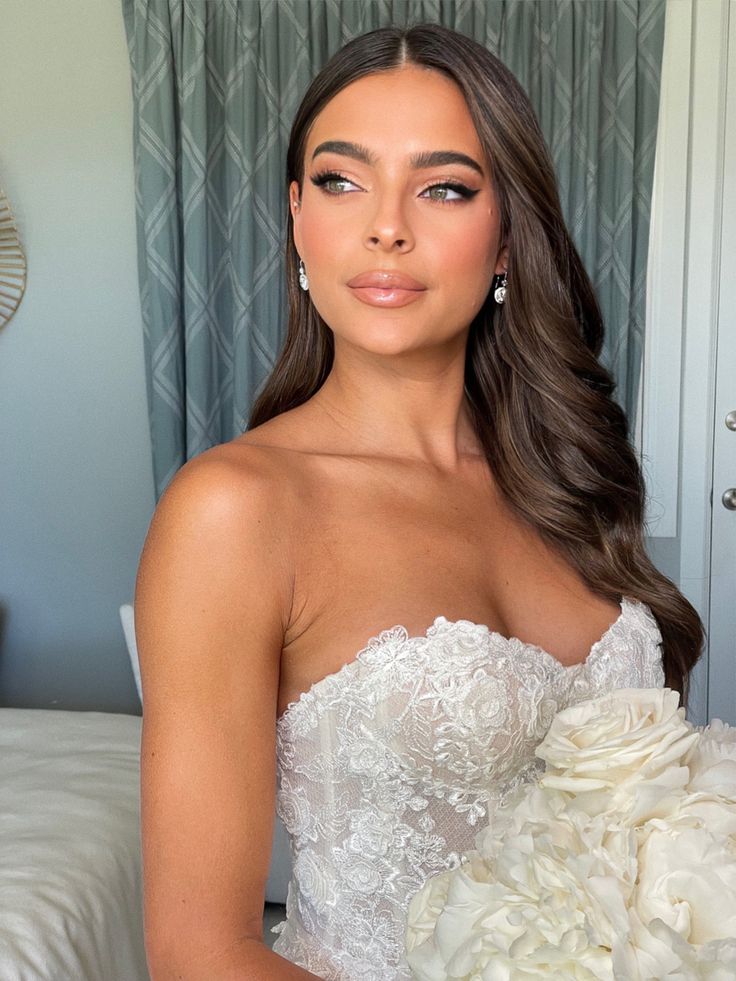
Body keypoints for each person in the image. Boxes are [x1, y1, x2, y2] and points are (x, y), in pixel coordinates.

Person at [134, 22, 704, 981]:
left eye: (443, 186)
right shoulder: (234, 509)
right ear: (297, 220)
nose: (385, 224)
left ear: (508, 236)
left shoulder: (568, 476)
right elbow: (201, 953)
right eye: (341, 180)